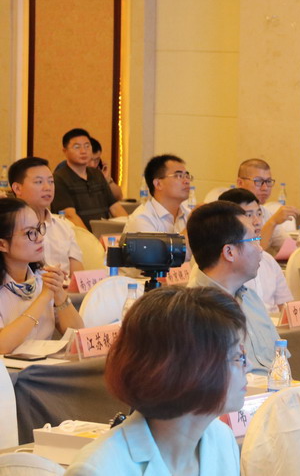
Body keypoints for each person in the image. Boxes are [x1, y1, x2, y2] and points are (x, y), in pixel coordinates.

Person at [66, 286, 245, 475]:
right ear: (188, 369)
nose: (247, 366)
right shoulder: (99, 469)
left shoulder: (221, 440)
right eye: (237, 357)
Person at [186, 200, 278, 375]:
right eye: (254, 240)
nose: (260, 249)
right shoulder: (194, 312)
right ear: (229, 252)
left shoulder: (250, 298)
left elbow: (280, 362)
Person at [0, 198, 83, 354]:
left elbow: (78, 334)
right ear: (2, 244)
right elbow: (2, 346)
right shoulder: (42, 288)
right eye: (30, 233)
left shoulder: (41, 278)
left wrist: (58, 292)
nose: (40, 238)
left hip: (43, 366)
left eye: (39, 229)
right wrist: (44, 297)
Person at [217, 188, 292, 314]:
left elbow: (286, 307)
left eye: (259, 214)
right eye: (249, 215)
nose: (257, 222)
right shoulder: (222, 263)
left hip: (272, 325)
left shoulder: (268, 259)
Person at [8, 157, 83, 274]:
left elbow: (78, 274)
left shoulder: (65, 226)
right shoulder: (9, 227)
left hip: (64, 285)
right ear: (17, 188)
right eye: (39, 182)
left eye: (51, 181)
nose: (47, 188)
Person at [51, 128, 127, 230]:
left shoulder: (97, 174)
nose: (83, 151)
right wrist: (90, 238)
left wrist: (129, 229)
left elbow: (115, 207)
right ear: (65, 151)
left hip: (103, 233)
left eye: (87, 146)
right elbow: (70, 216)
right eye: (77, 147)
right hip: (79, 236)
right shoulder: (59, 178)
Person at [235, 158, 298, 254]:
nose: (265, 188)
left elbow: (288, 248)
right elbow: (251, 252)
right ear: (240, 183)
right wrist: (273, 222)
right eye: (258, 181)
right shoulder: (229, 212)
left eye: (268, 181)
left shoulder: (265, 212)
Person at [123, 154, 191, 236]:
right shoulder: (142, 219)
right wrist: (192, 226)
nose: (187, 181)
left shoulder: (187, 214)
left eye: (187, 176)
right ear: (158, 184)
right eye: (179, 176)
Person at [88, 137, 123, 201]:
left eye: (96, 160)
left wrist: (107, 179)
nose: (92, 165)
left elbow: (118, 197)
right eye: (89, 159)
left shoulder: (98, 173)